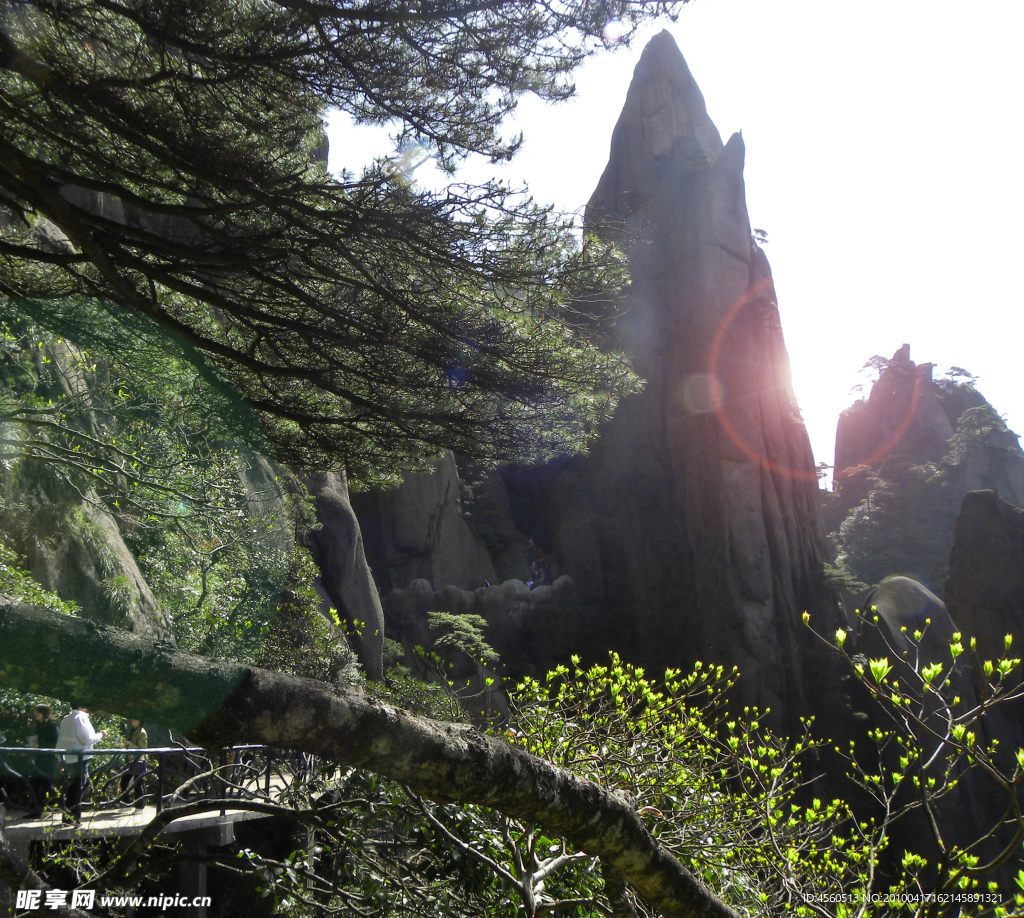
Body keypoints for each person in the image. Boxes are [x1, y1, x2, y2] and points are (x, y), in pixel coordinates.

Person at [57, 702, 107, 824]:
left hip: (69, 758)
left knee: (73, 787)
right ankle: (75, 816)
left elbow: (60, 740)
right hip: (81, 758)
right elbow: (88, 738)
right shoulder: (81, 718)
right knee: (80, 787)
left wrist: (60, 759)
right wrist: (101, 734)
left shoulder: (65, 719)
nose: (88, 711)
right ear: (81, 707)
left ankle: (68, 815)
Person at [28, 704, 59, 816]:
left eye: (38, 712)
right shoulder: (39, 725)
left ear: (43, 713)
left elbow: (54, 742)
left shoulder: (51, 725)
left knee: (47, 785)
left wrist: (39, 746)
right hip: (40, 758)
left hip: (49, 759)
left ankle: (64, 804)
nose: (36, 714)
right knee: (35, 784)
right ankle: (36, 810)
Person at [118, 719, 148, 807]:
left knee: (137, 784)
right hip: (131, 760)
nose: (132, 721)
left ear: (139, 721)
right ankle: (126, 803)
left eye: (135, 720)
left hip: (139, 761)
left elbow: (142, 749)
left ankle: (140, 806)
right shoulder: (132, 730)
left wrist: (129, 744)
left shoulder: (141, 733)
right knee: (124, 782)